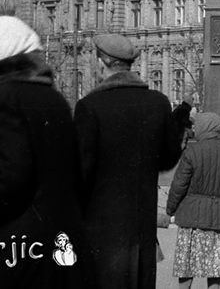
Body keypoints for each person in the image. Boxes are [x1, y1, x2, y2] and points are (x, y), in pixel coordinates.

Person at [0, 16, 88, 288]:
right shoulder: (54, 98)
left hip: (18, 252)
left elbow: (9, 180)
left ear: (0, 52)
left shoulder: (5, 97)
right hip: (57, 249)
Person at [74, 33, 183, 289]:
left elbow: (80, 173)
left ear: (102, 63)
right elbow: (168, 159)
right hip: (142, 229)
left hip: (101, 231)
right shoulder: (158, 103)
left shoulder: (90, 107)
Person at [166, 112, 220, 289]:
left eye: (197, 125)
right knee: (214, 268)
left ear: (204, 127)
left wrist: (171, 209)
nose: (194, 128)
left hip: (191, 218)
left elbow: (179, 185)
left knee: (186, 266)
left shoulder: (192, 152)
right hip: (219, 218)